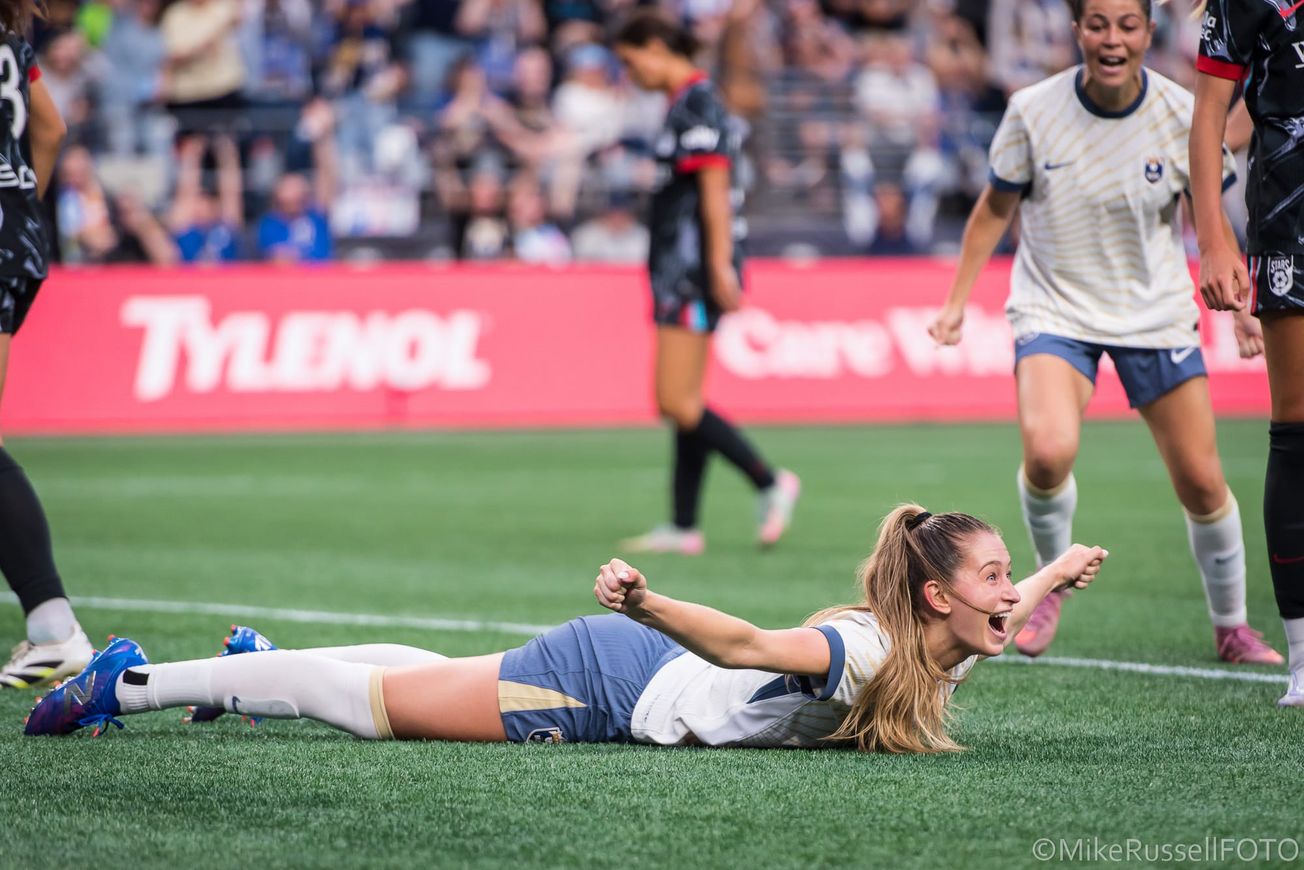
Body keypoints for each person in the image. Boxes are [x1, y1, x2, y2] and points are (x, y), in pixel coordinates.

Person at [24, 506, 1109, 753]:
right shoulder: (867, 651)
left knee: (441, 673)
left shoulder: (942, 638)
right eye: (992, 574)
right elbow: (738, 646)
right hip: (615, 682)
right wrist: (645, 603)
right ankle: (129, 683)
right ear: (934, 596)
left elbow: (1002, 625)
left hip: (639, 673)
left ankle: (249, 669)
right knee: (377, 714)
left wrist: (1057, 569)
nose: (1006, 592)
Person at [928, 0, 1281, 666]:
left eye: (1127, 25)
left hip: (1154, 313)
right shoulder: (1033, 110)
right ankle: (1049, 585)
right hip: (1055, 311)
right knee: (1048, 451)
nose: (1111, 39)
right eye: (1097, 24)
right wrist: (955, 302)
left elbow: (1211, 216)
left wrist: (1237, 307)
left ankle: (1231, 627)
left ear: (1150, 33)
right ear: (1076, 31)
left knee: (1204, 482)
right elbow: (991, 211)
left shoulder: (1182, 112)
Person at [611, 12, 799, 555]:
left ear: (654, 48)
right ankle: (683, 524)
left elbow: (715, 189)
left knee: (675, 400)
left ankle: (769, 481)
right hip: (679, 269)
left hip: (691, 272)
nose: (631, 74)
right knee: (686, 400)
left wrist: (718, 265)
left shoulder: (696, 103)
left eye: (630, 62)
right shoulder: (683, 105)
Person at [1189, 0, 1304, 706]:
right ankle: (1303, 656)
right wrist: (1213, 239)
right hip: (1291, 230)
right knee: (1296, 431)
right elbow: (1207, 121)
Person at [0, 0, 95, 688]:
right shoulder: (9, 40)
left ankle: (54, 628)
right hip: (18, 240)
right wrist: (19, 203)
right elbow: (51, 127)